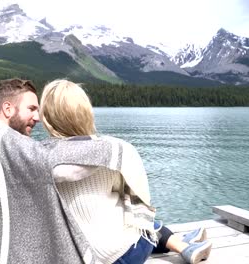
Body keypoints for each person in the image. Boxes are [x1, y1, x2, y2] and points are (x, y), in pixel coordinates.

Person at [39, 79, 213, 264]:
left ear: (47, 117)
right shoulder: (111, 151)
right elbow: (138, 203)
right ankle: (184, 246)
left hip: (74, 257)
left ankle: (182, 243)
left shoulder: (35, 157)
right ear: (85, 111)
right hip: (120, 258)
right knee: (142, 221)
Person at [0, 78, 96, 264]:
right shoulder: (2, 140)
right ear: (8, 109)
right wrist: (108, 148)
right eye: (32, 109)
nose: (38, 118)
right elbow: (63, 169)